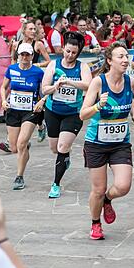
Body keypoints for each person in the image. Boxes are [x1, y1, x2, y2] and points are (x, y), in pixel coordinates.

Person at [79, 42, 134, 240]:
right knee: (97, 189)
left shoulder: (130, 81)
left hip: (120, 142)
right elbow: (82, 114)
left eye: (126, 56)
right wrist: (98, 105)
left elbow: (130, 98)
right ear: (109, 61)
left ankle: (108, 199)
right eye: (120, 57)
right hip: (96, 142)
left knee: (123, 186)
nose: (125, 60)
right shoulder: (99, 83)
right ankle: (95, 223)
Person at [41, 38, 92, 198]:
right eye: (67, 51)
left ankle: (55, 184)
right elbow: (44, 89)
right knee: (54, 148)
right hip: (53, 111)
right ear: (63, 48)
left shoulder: (82, 67)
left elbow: (88, 85)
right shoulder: (53, 65)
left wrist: (69, 82)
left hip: (73, 113)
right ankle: (65, 158)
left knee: (63, 147)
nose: (70, 55)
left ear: (78, 53)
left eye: (74, 53)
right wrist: (55, 86)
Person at [0, 43, 46, 191]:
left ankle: (19, 177)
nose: (25, 57)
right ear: (18, 56)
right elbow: (3, 87)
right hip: (13, 110)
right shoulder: (11, 70)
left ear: (32, 56)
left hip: (30, 112)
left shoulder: (38, 72)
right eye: (22, 54)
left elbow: (44, 91)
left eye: (28, 54)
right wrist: (3, 100)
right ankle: (24, 146)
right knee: (14, 148)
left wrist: (41, 101)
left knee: (20, 144)